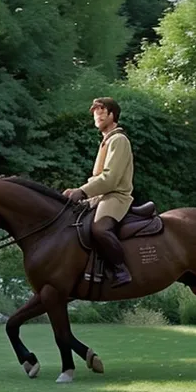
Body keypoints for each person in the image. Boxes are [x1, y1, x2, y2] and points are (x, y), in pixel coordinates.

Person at [63, 97, 134, 287]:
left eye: (102, 111)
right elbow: (98, 177)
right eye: (95, 111)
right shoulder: (106, 140)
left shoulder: (118, 140)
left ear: (112, 115)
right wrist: (77, 190)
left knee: (99, 229)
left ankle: (121, 270)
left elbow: (110, 178)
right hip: (101, 196)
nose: (98, 115)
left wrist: (83, 191)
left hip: (115, 196)